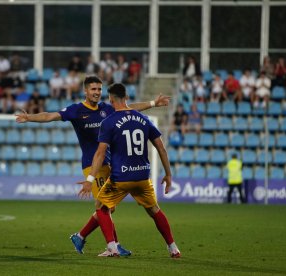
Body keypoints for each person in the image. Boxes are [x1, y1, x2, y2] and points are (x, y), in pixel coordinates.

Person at [15, 75, 170, 256]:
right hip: (92, 165)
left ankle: (82, 237)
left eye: (99, 89)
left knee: (106, 207)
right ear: (85, 91)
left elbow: (128, 108)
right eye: (93, 89)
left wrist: (152, 103)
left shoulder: (106, 108)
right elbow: (50, 115)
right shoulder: (76, 110)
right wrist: (29, 118)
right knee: (105, 207)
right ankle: (111, 246)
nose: (97, 92)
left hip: (110, 163)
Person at [78, 83, 180, 258]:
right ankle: (173, 248)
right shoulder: (144, 119)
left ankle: (112, 247)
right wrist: (168, 174)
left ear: (110, 100)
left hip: (120, 178)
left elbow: (100, 153)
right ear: (127, 98)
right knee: (155, 210)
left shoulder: (108, 122)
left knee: (101, 207)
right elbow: (161, 149)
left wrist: (89, 179)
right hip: (142, 177)